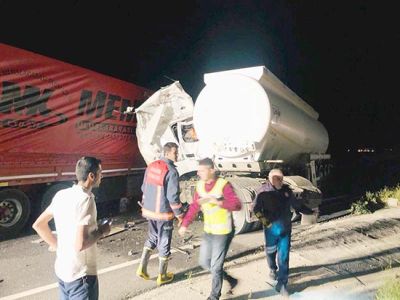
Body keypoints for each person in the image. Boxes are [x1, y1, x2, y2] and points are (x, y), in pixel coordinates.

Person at [32, 156, 110, 300]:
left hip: (62, 270)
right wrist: (102, 231)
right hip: (81, 275)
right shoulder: (86, 199)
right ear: (91, 176)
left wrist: (57, 246)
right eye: (100, 172)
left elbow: (39, 225)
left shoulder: (61, 195)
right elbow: (80, 244)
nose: (102, 176)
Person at [179, 158, 242, 300]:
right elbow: (194, 206)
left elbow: (237, 205)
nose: (198, 173)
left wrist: (218, 202)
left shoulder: (223, 185)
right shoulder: (200, 186)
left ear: (211, 170)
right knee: (205, 263)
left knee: (215, 266)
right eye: (198, 170)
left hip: (224, 232)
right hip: (209, 231)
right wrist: (184, 224)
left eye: (202, 170)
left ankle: (214, 296)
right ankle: (231, 280)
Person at [252, 168, 316, 297]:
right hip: (270, 230)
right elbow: (256, 209)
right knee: (270, 252)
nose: (280, 181)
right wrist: (266, 223)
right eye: (277, 178)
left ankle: (282, 285)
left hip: (285, 229)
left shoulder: (286, 191)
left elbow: (297, 205)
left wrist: (310, 211)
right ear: (270, 179)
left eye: (282, 178)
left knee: (284, 256)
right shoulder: (263, 192)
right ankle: (272, 268)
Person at [136, 142, 184, 286]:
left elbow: (144, 187)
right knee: (164, 242)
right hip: (163, 214)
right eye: (175, 153)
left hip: (149, 211)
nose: (177, 155)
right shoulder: (171, 171)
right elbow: (173, 198)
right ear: (167, 153)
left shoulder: (151, 166)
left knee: (152, 237)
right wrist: (180, 215)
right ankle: (162, 276)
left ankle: (142, 268)